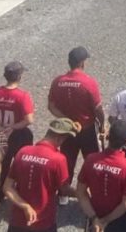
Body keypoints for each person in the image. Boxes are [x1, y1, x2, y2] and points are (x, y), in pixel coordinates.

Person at [3, 118, 80, 232]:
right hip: (43, 222)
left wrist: (25, 206)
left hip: (18, 221)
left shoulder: (23, 151)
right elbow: (64, 190)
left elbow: (7, 187)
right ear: (59, 138)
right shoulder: (58, 159)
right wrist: (81, 194)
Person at [0, 60, 35, 201]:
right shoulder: (22, 95)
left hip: (1, 133)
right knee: (22, 164)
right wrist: (13, 127)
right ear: (19, 77)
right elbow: (29, 119)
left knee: (1, 164)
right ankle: (21, 192)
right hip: (19, 134)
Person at [49, 46, 105, 182]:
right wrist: (102, 125)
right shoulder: (88, 82)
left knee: (67, 163)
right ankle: (92, 188)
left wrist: (67, 120)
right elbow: (98, 109)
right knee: (92, 162)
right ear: (82, 63)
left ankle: (64, 191)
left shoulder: (58, 81)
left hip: (68, 129)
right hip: (87, 129)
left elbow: (51, 107)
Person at [78, 121, 126, 232]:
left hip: (95, 215)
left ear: (108, 136)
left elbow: (80, 192)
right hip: (120, 220)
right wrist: (104, 221)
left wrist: (95, 219)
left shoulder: (90, 159)